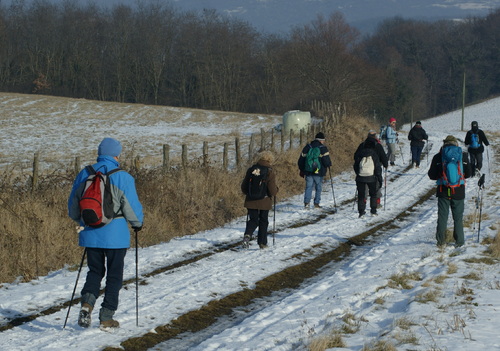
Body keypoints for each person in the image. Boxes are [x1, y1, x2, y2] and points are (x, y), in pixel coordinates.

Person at [68, 137, 144, 329]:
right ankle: (106, 317)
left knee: (95, 272)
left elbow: (73, 206)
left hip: (90, 233)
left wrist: (82, 222)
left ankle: (87, 305)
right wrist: (137, 224)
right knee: (114, 276)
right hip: (116, 237)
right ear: (117, 154)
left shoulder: (85, 173)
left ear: (100, 152)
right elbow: (132, 208)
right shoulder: (122, 176)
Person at [427, 135, 471, 247]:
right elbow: (469, 173)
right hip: (458, 190)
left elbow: (431, 175)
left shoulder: (438, 156)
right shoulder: (463, 155)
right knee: (458, 218)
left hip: (443, 190)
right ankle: (459, 241)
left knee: (442, 216)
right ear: (456, 143)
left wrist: (441, 175)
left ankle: (441, 241)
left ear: (444, 144)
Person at [241, 151, 278, 249]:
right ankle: (262, 243)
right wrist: (275, 192)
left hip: (251, 200)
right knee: (263, 221)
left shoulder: (251, 169)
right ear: (270, 160)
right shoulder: (270, 171)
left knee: (253, 220)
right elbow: (272, 189)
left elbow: (244, 186)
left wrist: (249, 194)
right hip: (264, 201)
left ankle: (247, 235)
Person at [354, 130, 388, 217]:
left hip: (361, 175)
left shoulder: (362, 146)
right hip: (372, 175)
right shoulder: (377, 146)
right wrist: (385, 166)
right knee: (374, 193)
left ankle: (361, 212)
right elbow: (383, 158)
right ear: (375, 137)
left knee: (361, 194)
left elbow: (355, 159)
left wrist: (358, 172)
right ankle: (373, 210)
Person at [297, 132, 332, 209]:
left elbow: (301, 160)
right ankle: (316, 203)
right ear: (321, 140)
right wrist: (329, 165)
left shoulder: (307, 147)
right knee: (318, 187)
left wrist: (302, 169)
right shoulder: (323, 148)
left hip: (308, 171)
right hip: (318, 171)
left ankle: (306, 203)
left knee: (308, 187)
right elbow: (326, 161)